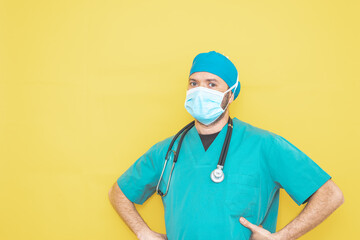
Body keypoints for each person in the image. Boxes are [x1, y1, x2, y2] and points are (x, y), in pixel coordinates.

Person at [108, 50, 344, 240]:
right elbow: (119, 193)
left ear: (231, 94)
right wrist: (143, 232)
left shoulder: (264, 145)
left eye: (212, 84)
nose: (200, 90)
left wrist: (282, 238)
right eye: (194, 83)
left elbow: (330, 194)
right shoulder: (167, 150)